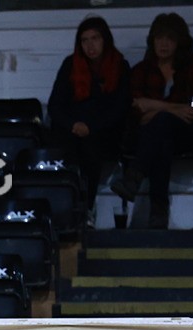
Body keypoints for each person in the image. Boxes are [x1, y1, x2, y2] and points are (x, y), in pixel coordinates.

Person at [113, 13, 193, 229]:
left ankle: (134, 178)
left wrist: (153, 105)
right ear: (152, 40)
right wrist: (174, 109)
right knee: (162, 134)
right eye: (159, 38)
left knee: (162, 123)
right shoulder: (141, 70)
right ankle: (158, 210)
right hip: (152, 135)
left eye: (170, 39)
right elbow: (137, 113)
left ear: (180, 42)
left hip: (189, 134)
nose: (164, 44)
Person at [47, 16, 131, 228]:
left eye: (95, 38)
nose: (90, 45)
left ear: (105, 40)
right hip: (72, 128)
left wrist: (92, 126)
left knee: (92, 146)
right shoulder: (71, 64)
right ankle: (66, 211)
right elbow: (55, 105)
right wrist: (74, 125)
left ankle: (86, 209)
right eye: (84, 40)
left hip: (104, 131)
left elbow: (120, 108)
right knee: (65, 147)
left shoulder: (119, 66)